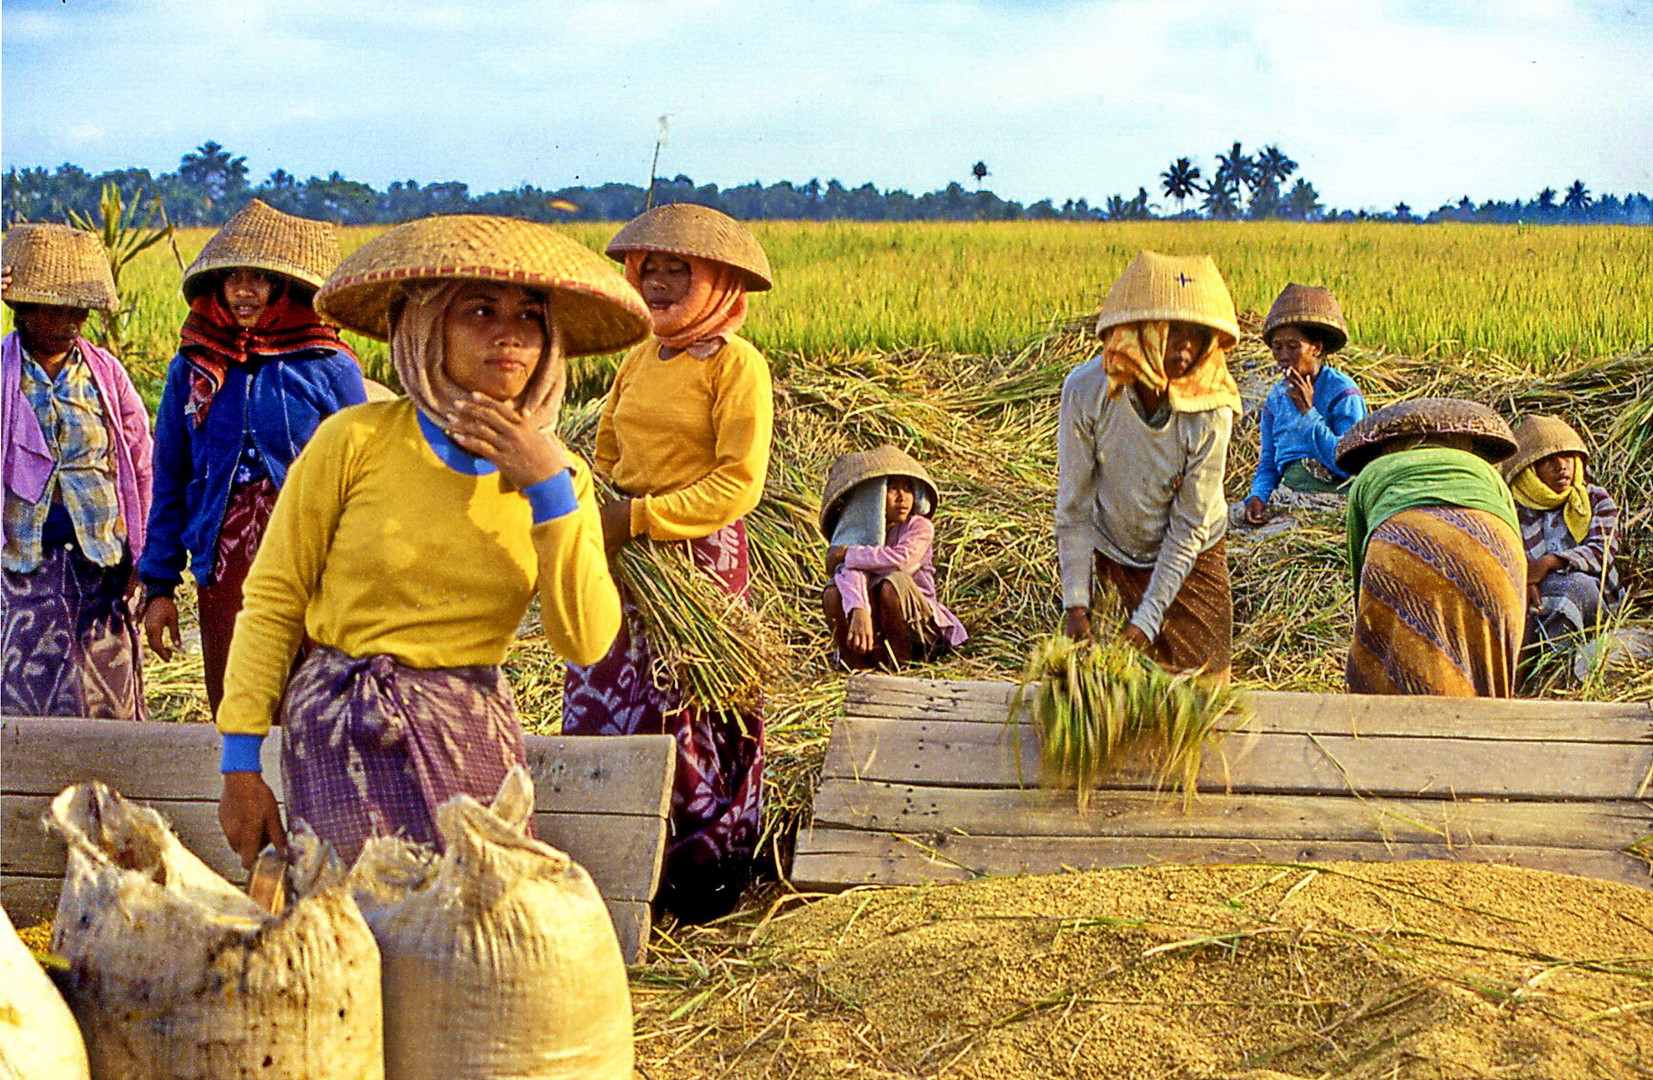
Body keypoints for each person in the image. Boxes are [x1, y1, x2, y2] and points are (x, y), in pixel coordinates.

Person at [215, 214, 644, 869]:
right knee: (363, 935)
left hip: (474, 732)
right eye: (478, 310)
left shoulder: (561, 477)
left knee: (479, 941)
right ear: (422, 327)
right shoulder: (354, 441)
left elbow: (583, 640)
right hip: (343, 729)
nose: (509, 334)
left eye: (530, 316)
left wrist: (547, 489)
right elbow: (273, 601)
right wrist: (240, 765)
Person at [562, 202, 774, 923]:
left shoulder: (738, 366)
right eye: (646, 269)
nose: (654, 283)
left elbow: (737, 481)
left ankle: (698, 875)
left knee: (686, 701)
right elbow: (607, 453)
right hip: (624, 554)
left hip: (696, 556)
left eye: (674, 270)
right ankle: (612, 853)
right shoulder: (638, 357)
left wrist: (643, 518)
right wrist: (604, 507)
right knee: (609, 686)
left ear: (714, 280)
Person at [139, 200, 366, 717]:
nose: (243, 291)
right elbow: (171, 478)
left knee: (320, 703)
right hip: (225, 562)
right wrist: (159, 586)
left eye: (259, 277)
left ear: (285, 288)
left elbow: (365, 475)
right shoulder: (194, 367)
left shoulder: (327, 365)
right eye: (232, 278)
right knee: (243, 702)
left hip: (314, 559)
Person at [1055, 250, 1241, 682]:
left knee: (1205, 693)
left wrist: (1146, 620)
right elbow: (1074, 504)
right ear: (1141, 333)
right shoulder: (1088, 391)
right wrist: (1075, 603)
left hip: (1192, 554)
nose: (1186, 349)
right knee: (1103, 689)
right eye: (1173, 333)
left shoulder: (1212, 408)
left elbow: (1189, 525)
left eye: (1198, 336)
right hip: (1113, 545)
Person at [1, 224, 152, 720]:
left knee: (104, 702)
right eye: (54, 309)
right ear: (22, 309)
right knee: (23, 699)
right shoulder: (5, 372)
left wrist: (146, 555)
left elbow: (139, 458)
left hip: (100, 559)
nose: (70, 322)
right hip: (22, 559)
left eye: (77, 310)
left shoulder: (105, 374)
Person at [1337, 398, 1524, 697]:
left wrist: (1371, 618)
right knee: (1486, 657)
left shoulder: (1372, 473)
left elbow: (1359, 557)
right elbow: (1512, 536)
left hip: (1402, 543)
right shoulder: (1487, 472)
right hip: (1490, 547)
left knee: (1385, 665)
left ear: (1388, 446)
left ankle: (1391, 733)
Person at [820, 445, 967, 669]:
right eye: (892, 489)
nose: (902, 498)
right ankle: (860, 667)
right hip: (876, 626)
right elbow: (849, 572)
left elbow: (902, 561)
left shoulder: (919, 527)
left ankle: (902, 666)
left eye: (908, 489)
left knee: (893, 583)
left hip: (918, 629)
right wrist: (858, 609)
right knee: (833, 592)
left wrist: (848, 553)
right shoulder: (861, 532)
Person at [1243, 283, 1366, 526]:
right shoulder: (1276, 398)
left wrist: (1308, 413)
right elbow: (1269, 462)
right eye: (1277, 348)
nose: (1283, 356)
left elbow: (1350, 465)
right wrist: (1258, 495)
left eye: (1293, 346)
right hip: (1290, 497)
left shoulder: (1343, 393)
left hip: (1334, 501)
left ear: (1316, 348)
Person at [1502, 414, 1622, 654]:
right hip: (1534, 593)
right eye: (1548, 461)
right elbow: (1510, 554)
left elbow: (1602, 550)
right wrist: (1528, 581)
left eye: (1567, 456)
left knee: (1575, 588)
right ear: (1530, 472)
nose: (1562, 466)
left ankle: (1556, 668)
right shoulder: (1515, 509)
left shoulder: (1595, 499)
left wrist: (1548, 563)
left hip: (1593, 594)